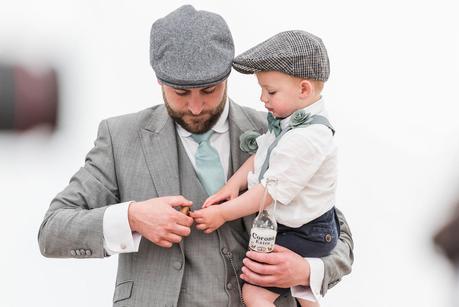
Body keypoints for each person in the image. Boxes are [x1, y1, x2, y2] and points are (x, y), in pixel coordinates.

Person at [37, 5, 354, 307]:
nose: (196, 106)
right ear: (159, 80)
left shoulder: (278, 131)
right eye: (181, 93)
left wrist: (307, 272)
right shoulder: (120, 138)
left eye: (208, 90)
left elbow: (333, 231)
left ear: (227, 77)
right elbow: (52, 231)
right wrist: (132, 217)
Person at [191, 30, 339, 307]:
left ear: (304, 89)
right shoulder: (289, 122)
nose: (262, 99)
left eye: (270, 91)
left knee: (255, 294)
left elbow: (267, 192)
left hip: (306, 230)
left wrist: (222, 213)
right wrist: (232, 185)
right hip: (303, 225)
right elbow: (262, 155)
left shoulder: (306, 137)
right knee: (305, 293)